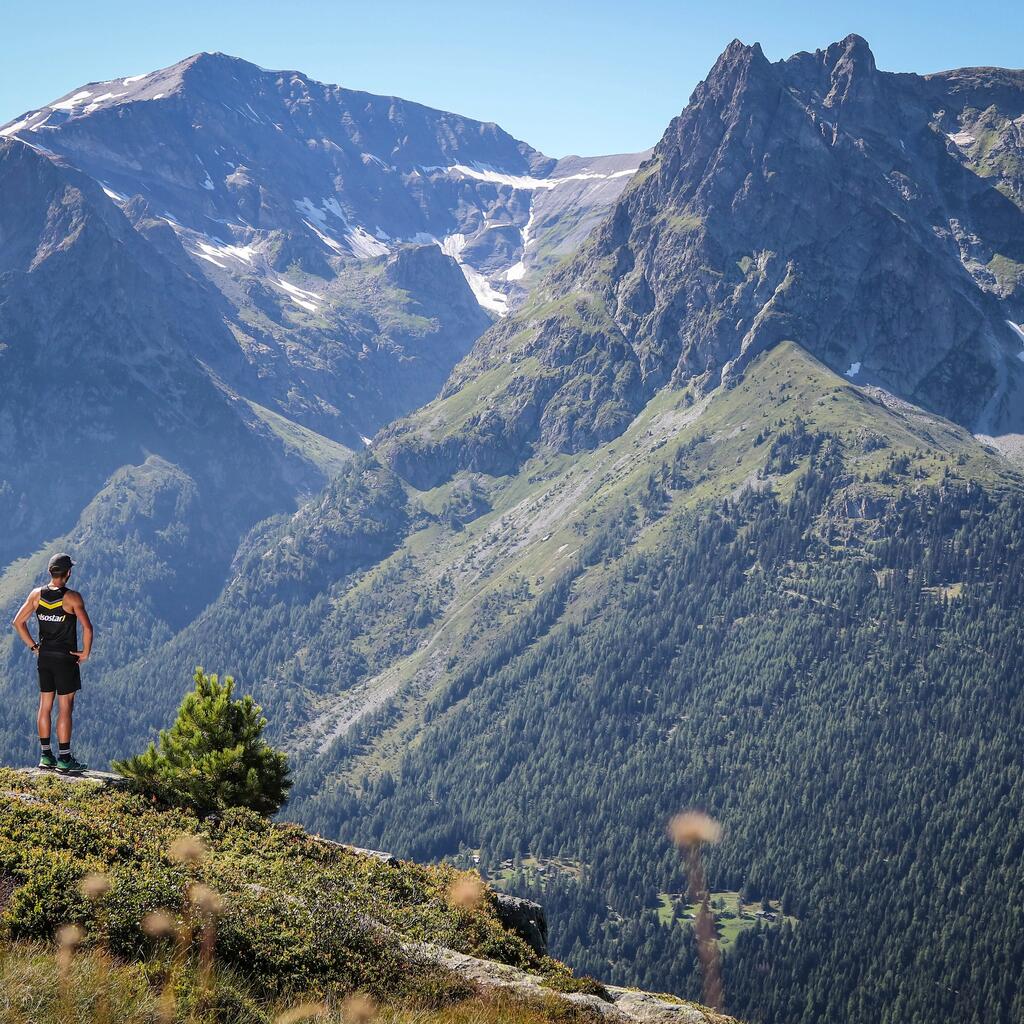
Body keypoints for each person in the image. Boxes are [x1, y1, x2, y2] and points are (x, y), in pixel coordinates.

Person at [11, 553, 93, 774]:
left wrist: (34, 647)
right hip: (66, 659)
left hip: (44, 658)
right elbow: (87, 628)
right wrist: (85, 653)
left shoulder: (36, 595)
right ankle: (65, 758)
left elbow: (18, 622)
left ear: (50, 572)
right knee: (65, 707)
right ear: (68, 573)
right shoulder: (72, 598)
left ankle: (46, 756)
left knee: (44, 705)